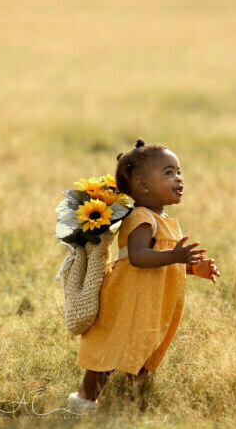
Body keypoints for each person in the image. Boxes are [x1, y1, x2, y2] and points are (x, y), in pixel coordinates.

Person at [68, 139, 220, 414]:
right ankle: (83, 403)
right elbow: (138, 257)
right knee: (111, 350)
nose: (179, 178)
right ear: (143, 185)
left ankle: (131, 405)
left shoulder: (163, 220)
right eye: (168, 173)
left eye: (178, 171)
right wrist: (175, 256)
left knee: (142, 349)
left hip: (149, 303)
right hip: (128, 300)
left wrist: (191, 267)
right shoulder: (141, 217)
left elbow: (161, 262)